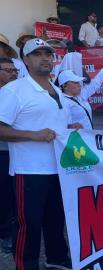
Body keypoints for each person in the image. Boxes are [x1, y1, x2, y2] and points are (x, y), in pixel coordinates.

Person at [0, 38, 81, 270]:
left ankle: (56, 257)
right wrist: (34, 135)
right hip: (30, 170)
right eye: (37, 54)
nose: (45, 58)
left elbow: (54, 126)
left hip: (60, 168)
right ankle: (26, 265)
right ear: (25, 60)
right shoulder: (14, 90)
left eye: (48, 53)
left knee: (56, 219)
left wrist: (70, 130)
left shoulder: (56, 89)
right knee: (30, 223)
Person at [59, 57, 103, 129]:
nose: (79, 84)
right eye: (75, 82)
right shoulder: (63, 102)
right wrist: (70, 127)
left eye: (78, 82)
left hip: (88, 137)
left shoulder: (80, 95)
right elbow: (62, 127)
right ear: (64, 86)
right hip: (78, 139)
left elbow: (95, 83)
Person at [0, 58, 18, 253]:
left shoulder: (18, 93)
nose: (13, 73)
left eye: (14, 70)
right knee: (4, 193)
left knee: (14, 194)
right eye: (8, 70)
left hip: (18, 151)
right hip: (2, 152)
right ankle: (5, 233)